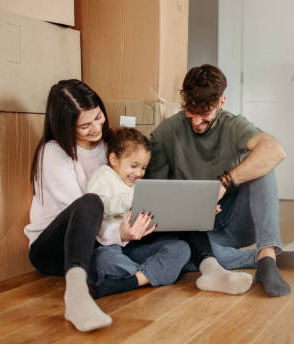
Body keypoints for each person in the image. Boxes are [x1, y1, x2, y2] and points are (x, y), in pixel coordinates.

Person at [24, 79, 190, 332]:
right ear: (65, 126)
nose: (95, 128)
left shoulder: (109, 147)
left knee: (179, 244)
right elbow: (85, 218)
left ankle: (135, 277)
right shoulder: (53, 153)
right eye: (85, 125)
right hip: (57, 248)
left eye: (98, 117)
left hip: (105, 243)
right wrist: (121, 234)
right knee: (91, 202)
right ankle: (77, 295)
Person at [147, 64, 294, 297]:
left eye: (205, 115)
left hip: (237, 219)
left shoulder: (233, 125)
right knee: (184, 255)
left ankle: (266, 258)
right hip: (199, 232)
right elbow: (155, 198)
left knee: (263, 165)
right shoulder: (165, 134)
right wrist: (190, 207)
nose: (196, 122)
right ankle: (266, 258)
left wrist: (224, 182)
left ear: (221, 103)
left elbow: (276, 151)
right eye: (191, 113)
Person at [87, 127, 252, 297]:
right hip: (112, 246)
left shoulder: (136, 185)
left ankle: (127, 281)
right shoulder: (103, 177)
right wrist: (133, 199)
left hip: (137, 245)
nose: (138, 173)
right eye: (134, 166)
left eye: (143, 168)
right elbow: (98, 207)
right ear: (113, 159)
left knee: (182, 249)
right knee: (103, 261)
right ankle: (140, 277)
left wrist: (197, 209)